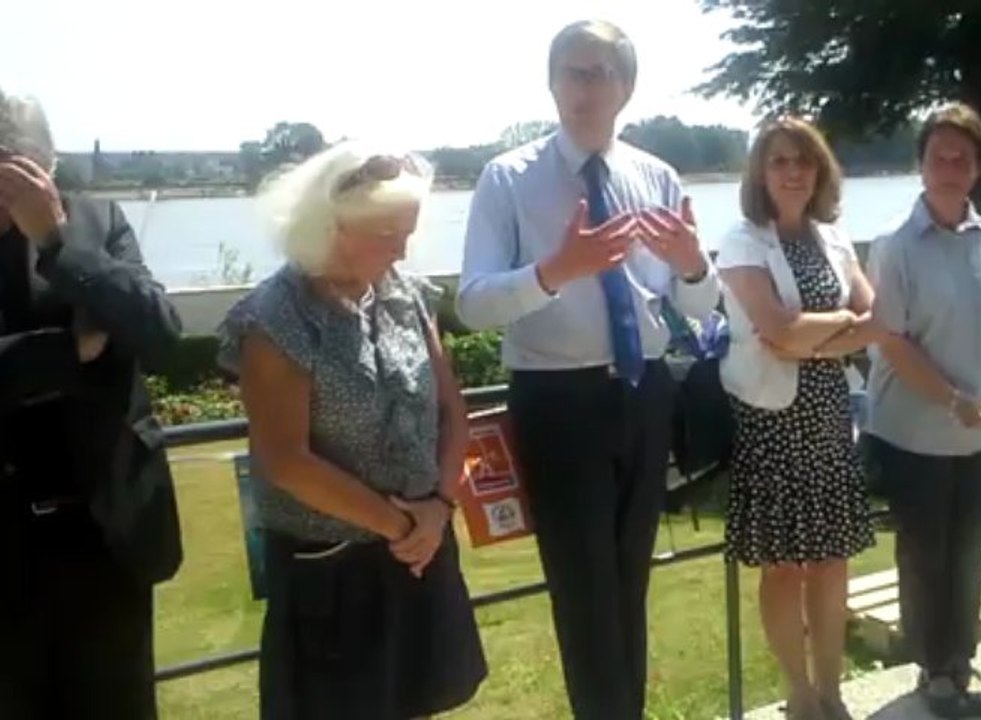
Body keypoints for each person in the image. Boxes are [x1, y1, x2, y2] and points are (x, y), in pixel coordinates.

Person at [456, 20, 720, 720]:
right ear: (550, 83)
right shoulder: (508, 178)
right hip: (557, 400)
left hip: (644, 393)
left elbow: (696, 304)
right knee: (583, 592)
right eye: (572, 72)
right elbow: (472, 303)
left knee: (630, 582)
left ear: (626, 87)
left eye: (600, 73)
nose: (585, 88)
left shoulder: (655, 176)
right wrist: (554, 271)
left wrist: (694, 264)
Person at [218, 142, 486, 719]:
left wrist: (438, 507)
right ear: (330, 226)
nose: (402, 250)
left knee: (420, 701)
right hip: (332, 568)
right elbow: (287, 461)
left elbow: (451, 411)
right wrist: (401, 526)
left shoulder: (407, 296)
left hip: (419, 548)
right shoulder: (277, 318)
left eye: (408, 233)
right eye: (387, 234)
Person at [861, 102, 981, 719]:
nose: (949, 166)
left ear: (977, 168)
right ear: (921, 165)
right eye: (938, 156)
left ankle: (961, 665)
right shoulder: (894, 245)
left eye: (961, 157)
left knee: (969, 553)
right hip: (913, 432)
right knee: (924, 555)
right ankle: (932, 670)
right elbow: (892, 341)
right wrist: (951, 399)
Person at [0, 90, 183, 719]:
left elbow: (160, 334)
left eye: (19, 172)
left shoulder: (95, 224)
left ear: (47, 168)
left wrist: (57, 242)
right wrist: (68, 351)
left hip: (106, 531)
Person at [716, 117, 881, 720]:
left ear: (820, 171)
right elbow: (778, 329)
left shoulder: (833, 238)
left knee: (832, 560)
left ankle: (831, 690)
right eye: (779, 161)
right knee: (783, 566)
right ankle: (799, 694)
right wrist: (838, 327)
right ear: (761, 173)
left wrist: (808, 339)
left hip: (828, 415)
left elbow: (876, 318)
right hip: (770, 420)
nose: (792, 172)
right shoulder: (742, 241)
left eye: (803, 161)